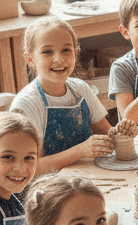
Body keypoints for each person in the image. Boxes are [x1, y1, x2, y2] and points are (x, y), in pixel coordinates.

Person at [10, 18, 113, 173]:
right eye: (47, 52)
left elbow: (106, 132)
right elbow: (26, 168)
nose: (59, 59)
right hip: (46, 188)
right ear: (30, 59)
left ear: (75, 53)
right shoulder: (26, 105)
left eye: (66, 50)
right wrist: (79, 152)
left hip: (86, 177)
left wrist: (120, 133)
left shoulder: (80, 89)